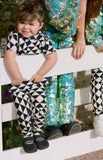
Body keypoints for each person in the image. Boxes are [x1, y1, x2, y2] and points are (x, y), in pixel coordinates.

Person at [4, 0, 57, 153]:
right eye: (22, 22)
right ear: (17, 22)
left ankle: (38, 133)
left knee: (41, 107)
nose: (26, 27)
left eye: (31, 24)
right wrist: (17, 76)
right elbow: (9, 57)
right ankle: (27, 136)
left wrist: (40, 74)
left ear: (40, 25)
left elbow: (52, 56)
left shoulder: (41, 38)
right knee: (23, 109)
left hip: (36, 80)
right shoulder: (15, 36)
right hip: (20, 82)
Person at [43, 0, 87, 139]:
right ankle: (49, 124)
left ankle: (66, 122)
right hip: (47, 32)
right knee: (49, 77)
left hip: (68, 35)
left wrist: (80, 38)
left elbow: (81, 10)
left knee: (67, 77)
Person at [86, 0, 103, 136]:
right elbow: (89, 24)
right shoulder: (94, 3)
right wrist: (96, 40)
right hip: (98, 45)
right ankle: (99, 114)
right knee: (98, 76)